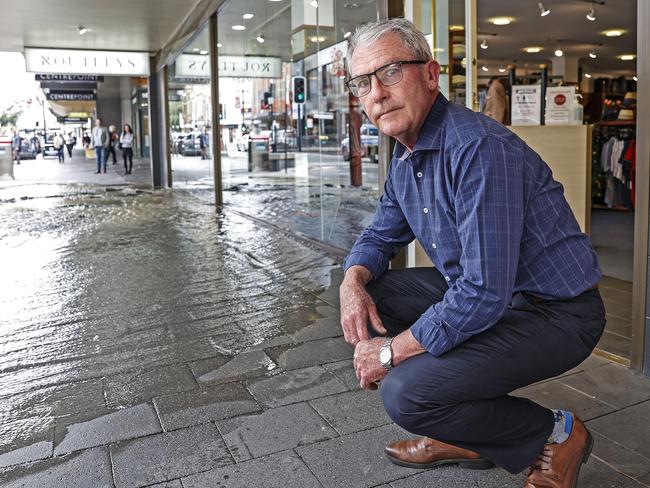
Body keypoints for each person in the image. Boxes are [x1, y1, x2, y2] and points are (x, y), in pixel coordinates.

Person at [339, 19, 604, 488]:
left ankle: (557, 434)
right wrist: (350, 283)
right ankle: (466, 430)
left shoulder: (479, 149)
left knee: (406, 394)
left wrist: (389, 353)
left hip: (556, 313)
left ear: (430, 75)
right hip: (497, 297)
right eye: (362, 82)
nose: (376, 93)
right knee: (375, 293)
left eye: (391, 72)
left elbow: (483, 291)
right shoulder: (406, 155)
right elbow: (380, 236)